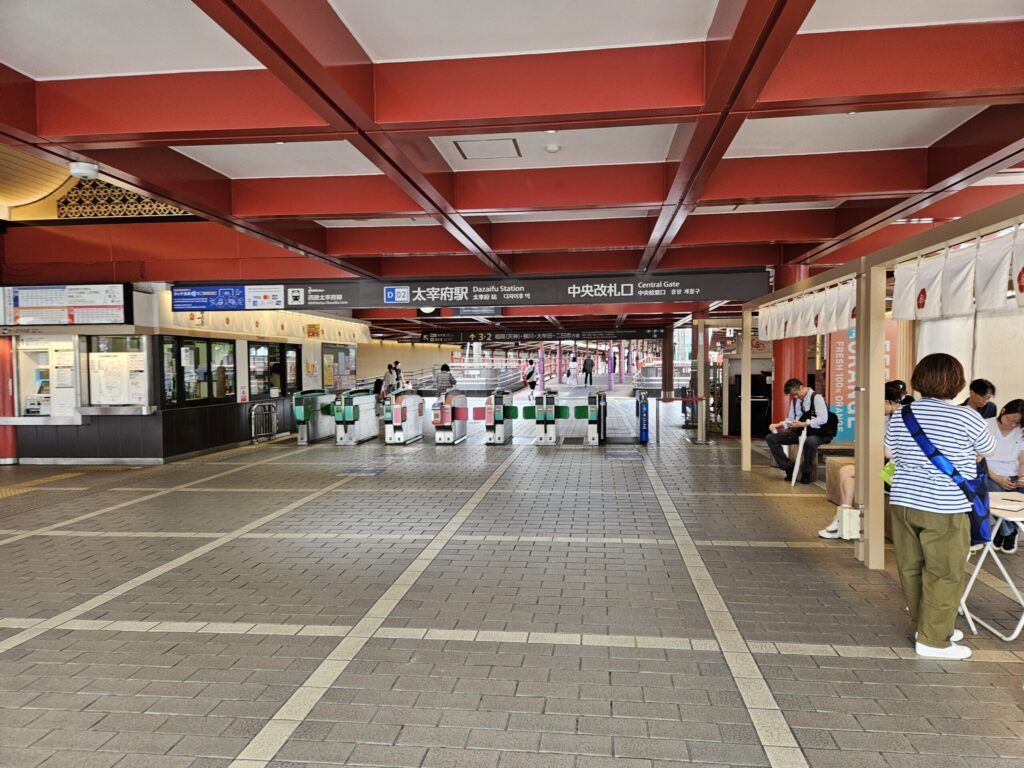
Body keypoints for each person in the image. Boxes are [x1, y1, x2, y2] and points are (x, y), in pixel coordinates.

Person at [885, 353, 996, 660]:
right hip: (943, 506)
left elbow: (891, 451)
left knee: (912, 568)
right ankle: (934, 641)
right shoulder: (966, 417)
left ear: (919, 380)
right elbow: (989, 448)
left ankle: (930, 626)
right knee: (945, 573)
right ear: (957, 383)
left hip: (904, 500)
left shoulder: (902, 415)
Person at [819, 382, 903, 539]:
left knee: (848, 473)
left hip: (897, 474)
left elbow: (888, 451)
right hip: (889, 468)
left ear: (887, 402)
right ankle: (844, 522)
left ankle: (844, 523)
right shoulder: (893, 416)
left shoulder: (899, 418)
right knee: (846, 471)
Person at [766, 378, 830, 484]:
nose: (795, 397)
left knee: (810, 442)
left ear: (801, 387)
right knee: (771, 438)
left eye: (796, 394)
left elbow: (823, 419)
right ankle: (788, 468)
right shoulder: (795, 400)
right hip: (799, 431)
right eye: (793, 395)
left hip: (816, 432)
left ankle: (806, 471)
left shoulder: (817, 398)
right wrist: (779, 424)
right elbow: (791, 419)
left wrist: (805, 424)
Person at [984, 399, 1024, 554]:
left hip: (1013, 474)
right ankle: (1010, 531)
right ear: (1003, 411)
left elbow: (1022, 461)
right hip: (990, 474)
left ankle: (1003, 531)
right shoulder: (985, 425)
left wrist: (1021, 478)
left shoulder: (1021, 431)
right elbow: (979, 460)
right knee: (994, 494)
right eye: (1010, 419)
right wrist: (997, 477)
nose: (1012, 425)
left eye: (1017, 422)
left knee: (1018, 497)